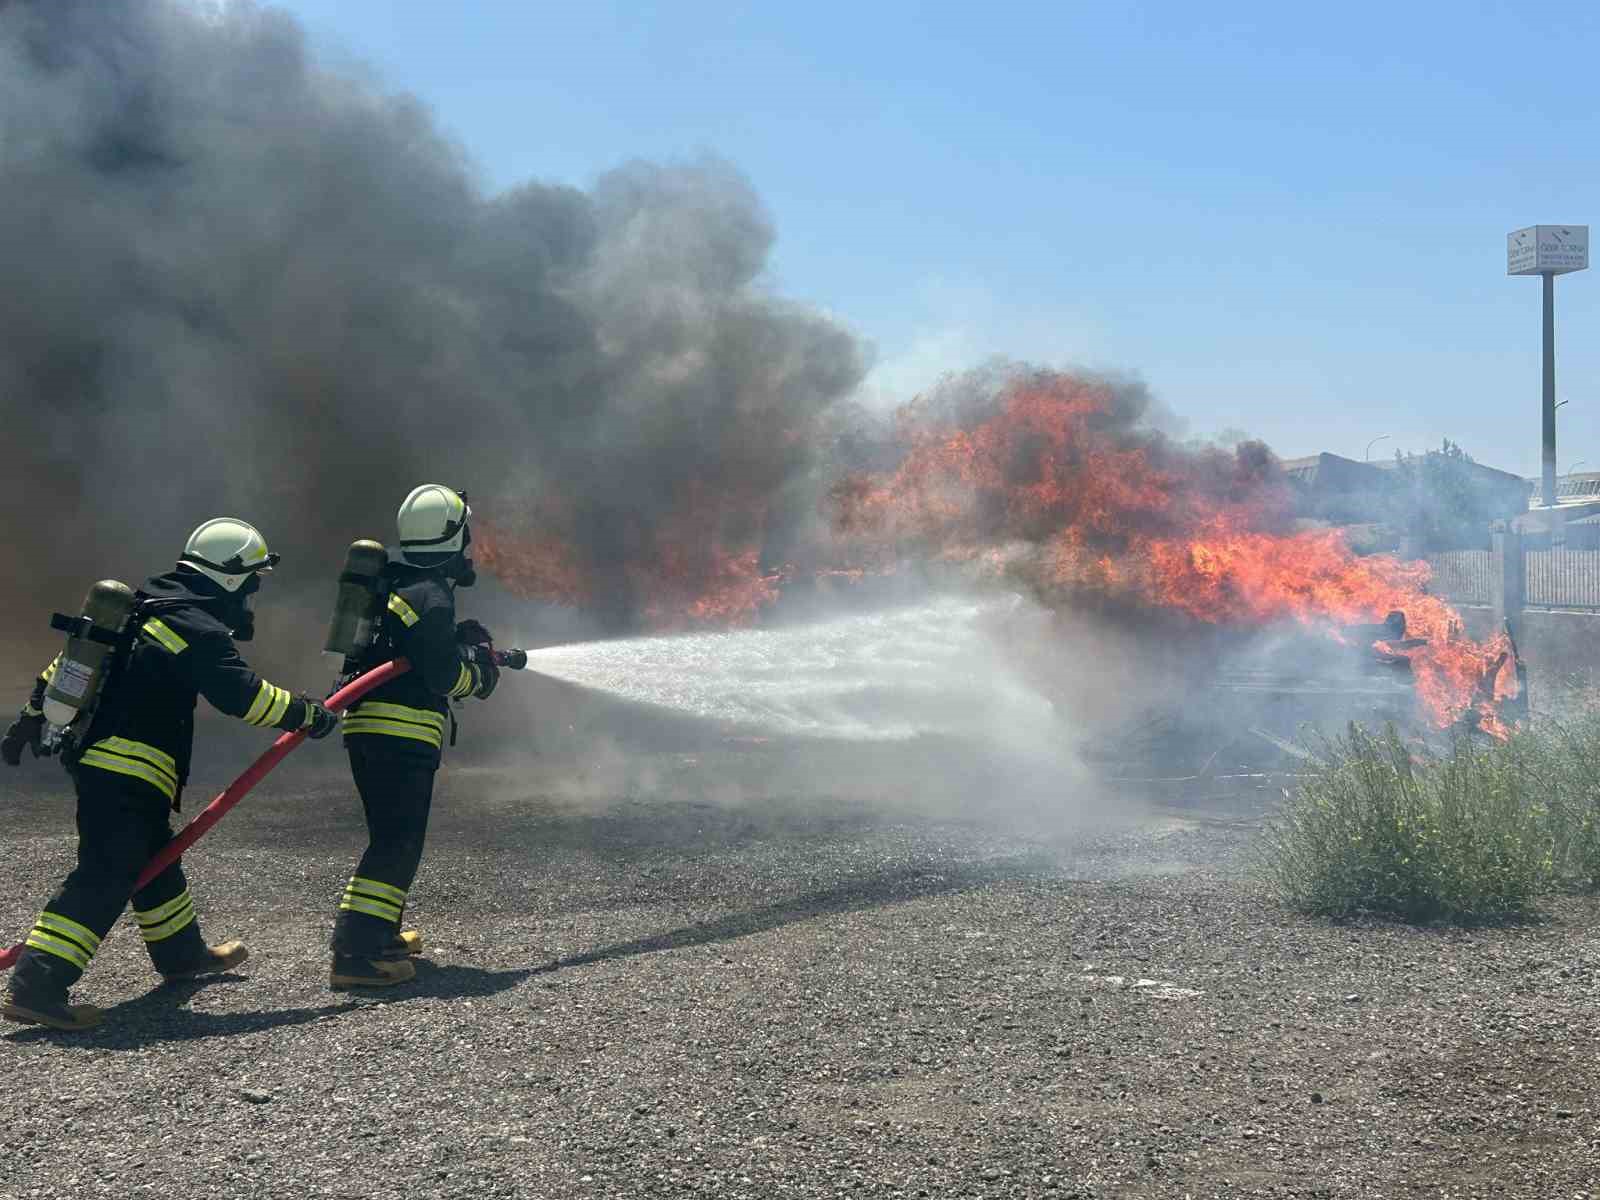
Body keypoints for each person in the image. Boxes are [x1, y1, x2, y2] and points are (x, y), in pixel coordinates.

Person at [0, 519, 338, 1031]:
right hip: (129, 767)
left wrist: (31, 716)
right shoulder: (195, 627)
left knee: (155, 857)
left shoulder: (141, 605)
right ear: (228, 577)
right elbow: (242, 695)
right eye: (250, 583)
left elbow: (70, 662)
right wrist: (306, 714)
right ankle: (37, 985)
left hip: (103, 759)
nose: (251, 596)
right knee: (106, 874)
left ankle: (181, 955)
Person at [330, 484, 498, 988]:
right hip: (400, 734)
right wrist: (481, 678)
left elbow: (418, 650)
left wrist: (458, 643)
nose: (469, 546)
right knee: (397, 843)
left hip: (370, 727)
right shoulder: (431, 594)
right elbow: (443, 675)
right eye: (465, 535)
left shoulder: (399, 584)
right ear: (451, 538)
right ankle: (356, 955)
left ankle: (379, 934)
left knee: (391, 838)